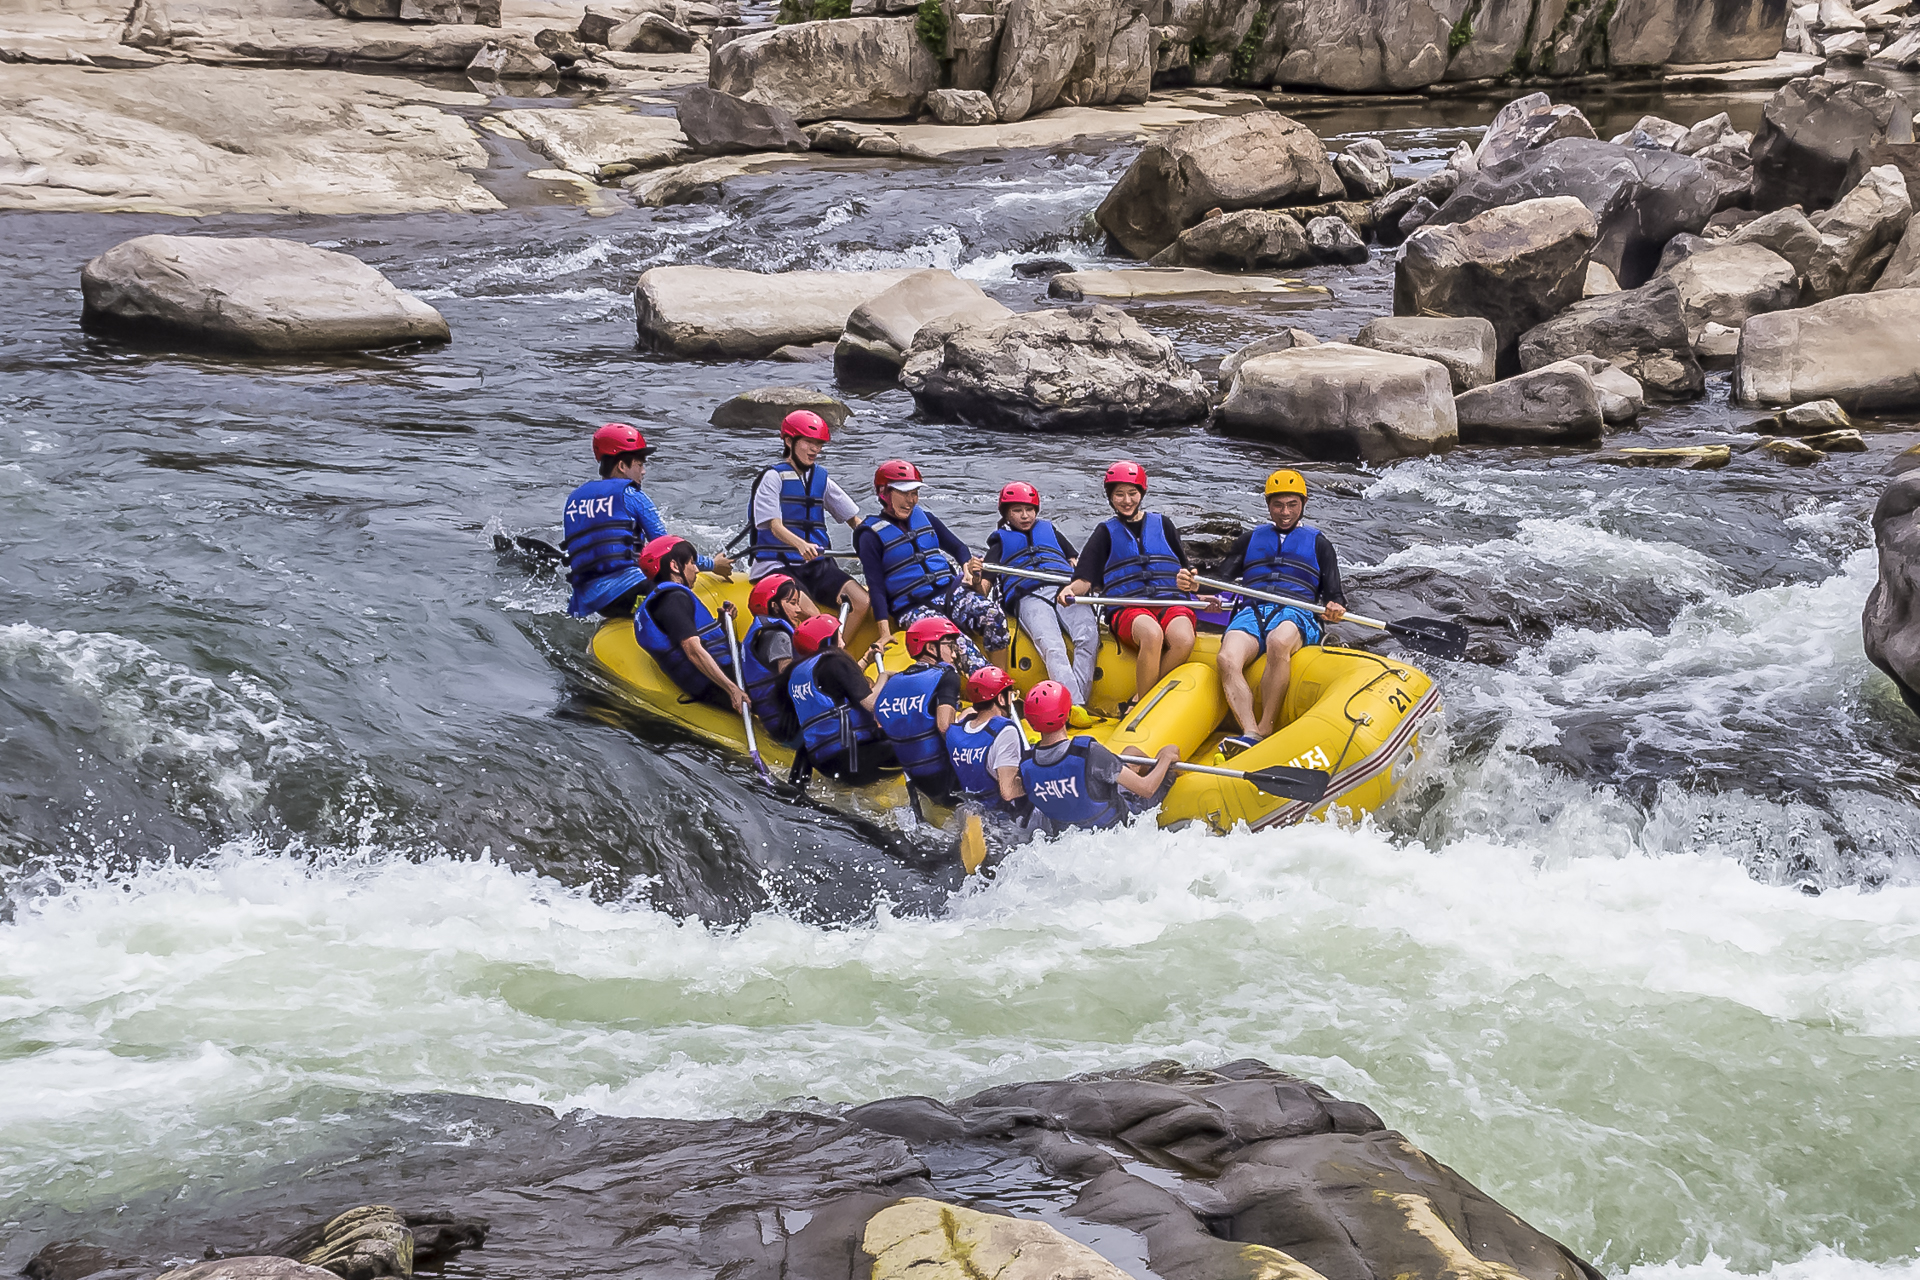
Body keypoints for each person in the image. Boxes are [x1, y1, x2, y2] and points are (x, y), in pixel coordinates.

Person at [1213, 469, 1348, 752]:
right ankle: (1249, 732)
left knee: (1278, 641)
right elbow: (1220, 580)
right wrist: (1197, 586)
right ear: (1268, 505)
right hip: (1253, 610)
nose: (1285, 512)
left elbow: (1334, 595)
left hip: (1296, 613)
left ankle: (1266, 726)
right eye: (1278, 505)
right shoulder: (1250, 539)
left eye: (1292, 505)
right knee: (1226, 657)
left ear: (1303, 504)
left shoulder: (1320, 543)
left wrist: (1334, 606)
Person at [1059, 461, 1204, 711]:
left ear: (1142, 494)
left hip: (1168, 602)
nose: (1126, 500)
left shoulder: (1164, 525)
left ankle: (1141, 697)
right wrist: (1070, 590)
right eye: (1119, 494)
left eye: (1132, 493)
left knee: (1183, 639)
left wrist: (1190, 582)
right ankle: (1145, 707)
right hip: (1128, 608)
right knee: (1152, 634)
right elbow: (1085, 579)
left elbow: (1185, 571)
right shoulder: (1105, 532)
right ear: (1110, 498)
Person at [856, 459, 1010, 675]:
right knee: (956, 642)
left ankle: (1000, 678)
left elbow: (958, 547)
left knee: (993, 613)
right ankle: (987, 687)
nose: (911, 500)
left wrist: (967, 565)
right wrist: (883, 632)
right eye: (904, 493)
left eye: (914, 493)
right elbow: (876, 585)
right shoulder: (869, 535)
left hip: (949, 592)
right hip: (912, 607)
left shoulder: (925, 518)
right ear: (884, 493)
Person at [563, 423, 729, 618]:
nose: (643, 472)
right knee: (677, 581)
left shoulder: (574, 499)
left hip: (589, 602)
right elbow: (670, 551)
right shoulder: (631, 495)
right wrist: (714, 564)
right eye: (639, 464)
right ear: (622, 466)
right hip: (628, 593)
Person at [745, 410, 870, 638]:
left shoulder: (820, 479)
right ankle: (824, 656)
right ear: (789, 441)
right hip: (778, 566)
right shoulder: (772, 478)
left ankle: (837, 654)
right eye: (809, 442)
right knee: (812, 615)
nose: (815, 449)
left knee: (861, 601)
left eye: (819, 444)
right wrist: (800, 544)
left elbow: (854, 519)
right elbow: (774, 525)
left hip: (815, 565)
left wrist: (872, 541)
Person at [985, 482, 1099, 709]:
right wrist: (976, 579)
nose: (1025, 516)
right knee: (1052, 646)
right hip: (1028, 594)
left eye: (1029, 509)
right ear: (1006, 514)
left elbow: (1075, 561)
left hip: (1063, 588)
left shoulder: (1050, 530)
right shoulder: (999, 541)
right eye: (1017, 511)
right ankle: (1075, 706)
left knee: (1088, 636)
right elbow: (985, 584)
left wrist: (1084, 582)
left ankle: (1077, 703)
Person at [1016, 681, 1180, 835]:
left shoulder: (1026, 764)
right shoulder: (1088, 751)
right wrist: (1165, 758)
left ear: (1030, 722)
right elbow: (1147, 789)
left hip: (1071, 837)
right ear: (1067, 714)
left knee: (1131, 752)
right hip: (1118, 826)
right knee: (1170, 750)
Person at [634, 536, 746, 713]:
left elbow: (694, 640)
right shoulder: (672, 600)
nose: (696, 570)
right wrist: (733, 690)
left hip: (713, 678)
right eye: (692, 563)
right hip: (723, 680)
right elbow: (692, 650)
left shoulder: (660, 600)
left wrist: (722, 624)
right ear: (674, 566)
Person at [786, 614, 897, 785]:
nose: (843, 641)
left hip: (824, 760)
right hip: (853, 757)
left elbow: (839, 685)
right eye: (838, 634)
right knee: (919, 743)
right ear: (827, 640)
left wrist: (865, 660)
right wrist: (884, 677)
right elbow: (871, 704)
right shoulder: (835, 662)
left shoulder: (800, 672)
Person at [871, 616, 967, 801]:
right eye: (949, 646)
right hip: (945, 778)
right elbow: (944, 727)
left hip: (916, 780)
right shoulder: (947, 675)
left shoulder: (893, 682)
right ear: (931, 648)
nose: (954, 654)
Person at [738, 572, 822, 745]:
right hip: (788, 725)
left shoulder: (764, 632)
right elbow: (789, 682)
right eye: (792, 603)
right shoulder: (779, 637)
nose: (798, 610)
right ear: (775, 606)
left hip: (780, 719)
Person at [945, 665, 1027, 815]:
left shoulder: (955, 731)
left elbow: (970, 714)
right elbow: (1008, 792)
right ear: (1001, 699)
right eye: (1010, 695)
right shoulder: (1005, 731)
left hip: (970, 812)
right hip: (1003, 820)